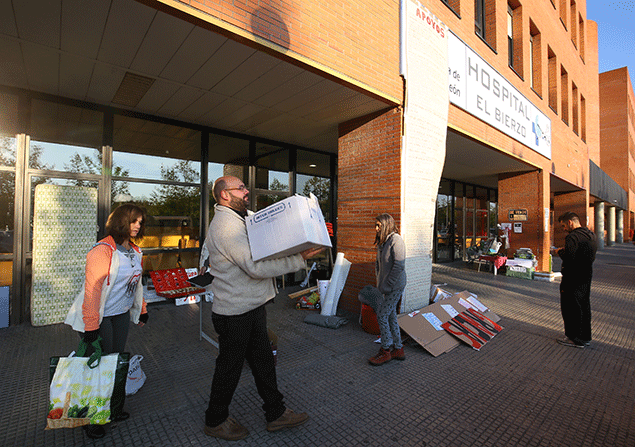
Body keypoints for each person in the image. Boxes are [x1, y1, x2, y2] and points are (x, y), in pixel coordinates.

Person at [202, 176, 323, 441]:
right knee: (229, 369)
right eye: (241, 188)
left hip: (251, 308)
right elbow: (256, 268)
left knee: (264, 362)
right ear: (224, 195)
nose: (247, 192)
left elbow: (272, 226)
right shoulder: (225, 227)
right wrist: (298, 258)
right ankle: (215, 420)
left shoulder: (240, 217)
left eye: (245, 187)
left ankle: (276, 413)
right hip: (235, 314)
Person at [65, 203, 149, 439]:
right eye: (133, 221)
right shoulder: (102, 251)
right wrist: (91, 326)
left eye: (140, 222)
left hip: (120, 315)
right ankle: (90, 417)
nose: (137, 226)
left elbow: (136, 285)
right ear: (121, 221)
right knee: (97, 368)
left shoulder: (135, 251)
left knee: (113, 363)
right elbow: (92, 291)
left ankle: (111, 408)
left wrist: (141, 309)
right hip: (98, 318)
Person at [551, 211, 597, 349]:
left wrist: (560, 251)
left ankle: (573, 338)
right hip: (586, 276)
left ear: (570, 222)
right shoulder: (591, 235)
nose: (564, 229)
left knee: (570, 308)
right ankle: (585, 337)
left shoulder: (573, 237)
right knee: (584, 306)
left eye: (564, 226)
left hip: (572, 278)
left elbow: (569, 258)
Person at [368, 213, 407, 366]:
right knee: (390, 316)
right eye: (375, 225)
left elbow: (399, 265)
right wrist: (379, 282)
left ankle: (386, 350)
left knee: (382, 315)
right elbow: (379, 265)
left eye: (379, 225)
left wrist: (388, 285)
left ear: (386, 225)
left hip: (395, 286)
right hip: (385, 286)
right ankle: (398, 349)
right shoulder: (383, 242)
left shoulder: (396, 240)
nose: (376, 228)